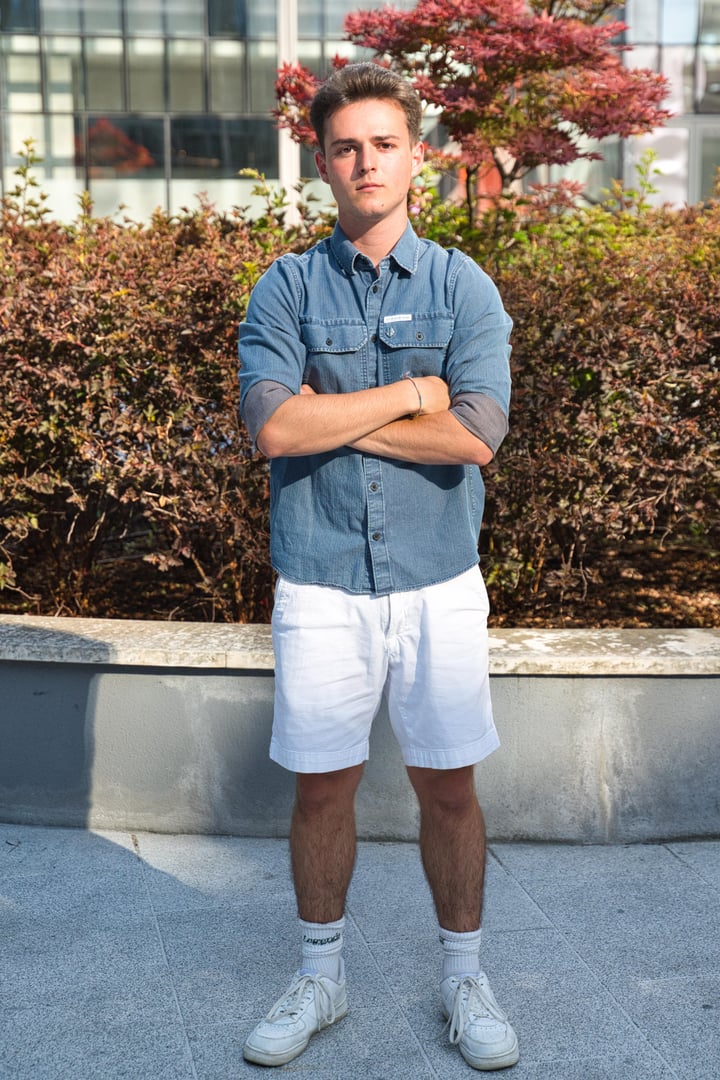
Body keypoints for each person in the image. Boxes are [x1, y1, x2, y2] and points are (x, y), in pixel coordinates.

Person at [238, 62, 518, 1072]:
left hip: (440, 582)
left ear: (418, 160)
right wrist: (409, 399)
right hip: (318, 580)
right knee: (323, 789)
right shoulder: (287, 285)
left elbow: (476, 436)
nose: (366, 161)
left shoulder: (462, 287)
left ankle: (465, 977)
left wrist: (329, 418)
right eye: (347, 145)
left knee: (449, 788)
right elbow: (273, 428)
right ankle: (322, 975)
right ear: (323, 160)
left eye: (384, 144)